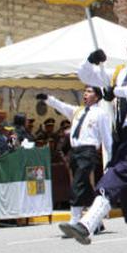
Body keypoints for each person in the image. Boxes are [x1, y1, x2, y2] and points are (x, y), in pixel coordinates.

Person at [59, 31, 127, 253]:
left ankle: (87, 224)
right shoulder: (120, 72)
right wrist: (91, 60)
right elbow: (85, 75)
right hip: (122, 136)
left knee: (115, 175)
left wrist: (116, 91)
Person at [42, 86, 112, 228]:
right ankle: (96, 221)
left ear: (97, 97)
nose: (85, 94)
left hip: (88, 151)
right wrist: (48, 99)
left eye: (89, 91)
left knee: (78, 183)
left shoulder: (100, 113)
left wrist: (111, 158)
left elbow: (106, 137)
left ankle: (74, 218)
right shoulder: (78, 111)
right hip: (75, 151)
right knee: (85, 187)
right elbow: (61, 106)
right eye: (85, 91)